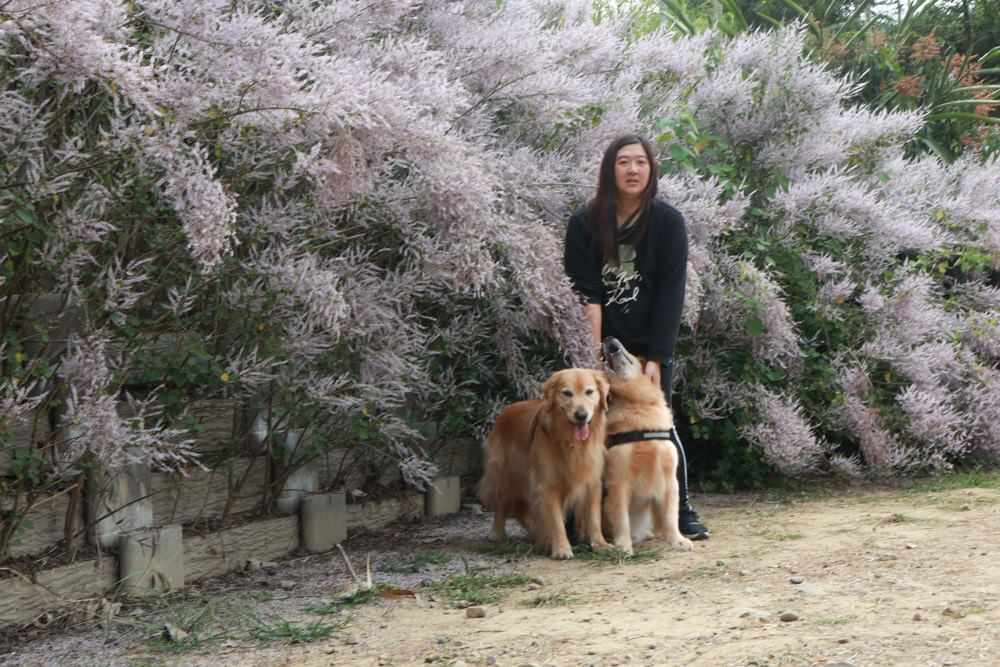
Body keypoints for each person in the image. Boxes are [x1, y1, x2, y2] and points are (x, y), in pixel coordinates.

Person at [564, 133, 709, 540]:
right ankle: (582, 518)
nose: (633, 169)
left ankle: (680, 510)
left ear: (651, 169)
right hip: (601, 346)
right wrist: (591, 362)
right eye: (624, 162)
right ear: (610, 170)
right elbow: (585, 293)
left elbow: (670, 293)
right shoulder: (584, 222)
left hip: (649, 345)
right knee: (588, 429)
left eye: (641, 162)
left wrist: (657, 359)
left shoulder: (667, 222)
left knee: (660, 427)